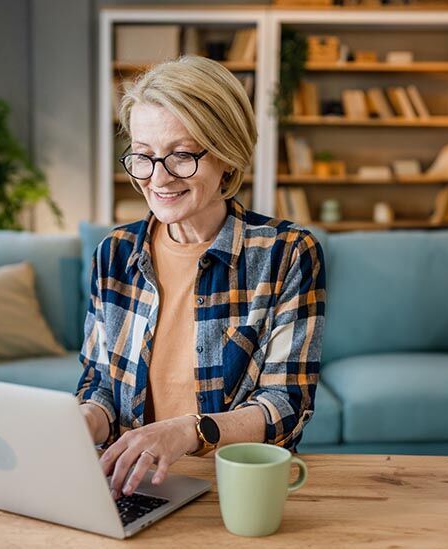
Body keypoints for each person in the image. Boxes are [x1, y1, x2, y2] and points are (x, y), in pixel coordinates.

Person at [76, 55, 326, 500]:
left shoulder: (286, 253)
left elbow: (285, 405)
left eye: (182, 155)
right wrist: (86, 418)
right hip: (128, 484)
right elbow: (99, 385)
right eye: (144, 157)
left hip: (232, 487)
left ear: (227, 158)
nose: (159, 178)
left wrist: (185, 433)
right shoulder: (113, 253)